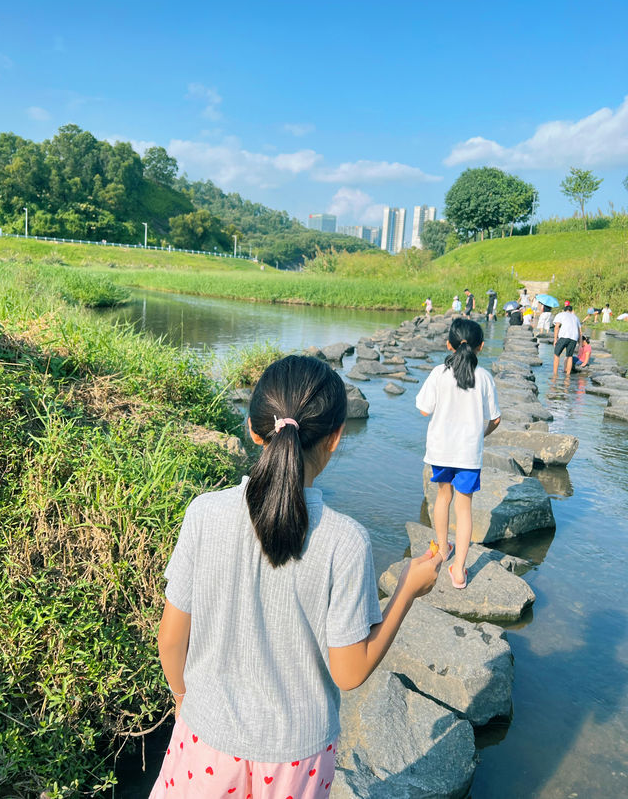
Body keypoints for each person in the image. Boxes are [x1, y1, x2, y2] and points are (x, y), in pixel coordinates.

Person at [149, 355, 441, 798]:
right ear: (336, 438)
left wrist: (182, 698)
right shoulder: (346, 542)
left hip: (203, 739)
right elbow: (349, 673)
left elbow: (171, 639)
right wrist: (407, 590)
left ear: (252, 428)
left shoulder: (204, 513)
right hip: (294, 760)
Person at [415, 318, 501, 590]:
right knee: (464, 508)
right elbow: (496, 419)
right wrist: (479, 435)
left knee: (443, 497)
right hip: (468, 454)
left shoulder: (439, 373)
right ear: (482, 347)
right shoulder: (484, 377)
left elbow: (424, 410)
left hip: (441, 451)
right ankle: (460, 571)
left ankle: (442, 551)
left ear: (448, 344)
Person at [552, 301, 582, 376]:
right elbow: (580, 332)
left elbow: (556, 327)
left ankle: (555, 374)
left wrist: (555, 339)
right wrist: (580, 344)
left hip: (564, 336)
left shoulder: (561, 314)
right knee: (569, 356)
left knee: (556, 355)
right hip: (574, 338)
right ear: (571, 311)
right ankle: (568, 375)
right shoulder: (575, 317)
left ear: (564, 310)